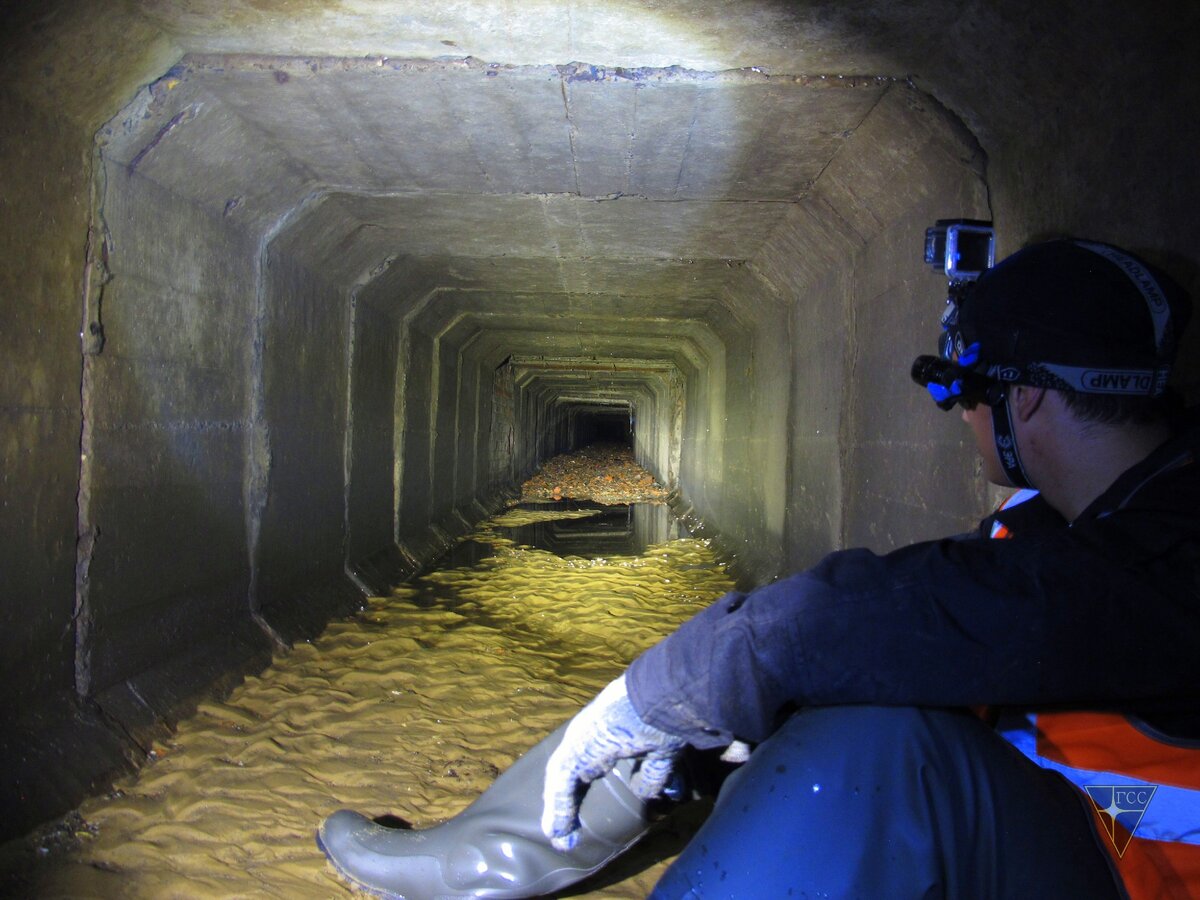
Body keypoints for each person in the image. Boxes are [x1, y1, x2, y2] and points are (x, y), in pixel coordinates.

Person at [318, 238, 1200, 899]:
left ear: (1025, 396)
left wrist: (681, 682)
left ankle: (500, 854)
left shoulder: (1168, 547)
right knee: (828, 690)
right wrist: (710, 711)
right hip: (1088, 831)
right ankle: (499, 851)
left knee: (865, 749)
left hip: (1148, 868)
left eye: (958, 392)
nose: (957, 418)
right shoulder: (1069, 525)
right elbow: (941, 620)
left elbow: (987, 613)